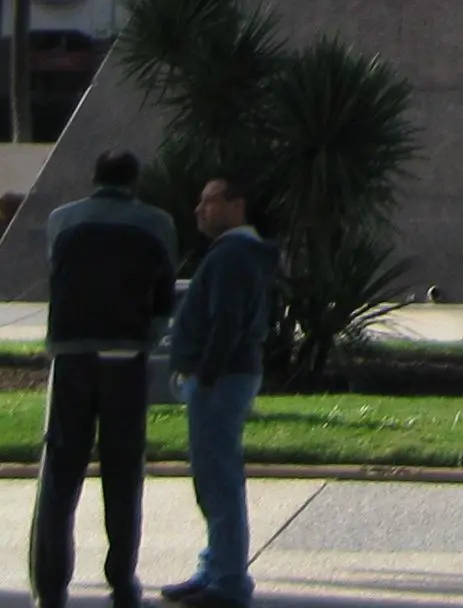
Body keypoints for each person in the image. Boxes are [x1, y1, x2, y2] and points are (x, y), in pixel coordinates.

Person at [30, 149, 177, 608]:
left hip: (72, 353)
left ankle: (52, 583)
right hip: (125, 355)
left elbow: (57, 275)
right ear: (135, 181)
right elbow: (164, 294)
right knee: (123, 469)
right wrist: (147, 338)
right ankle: (122, 578)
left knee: (61, 471)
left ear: (94, 178)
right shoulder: (157, 223)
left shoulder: (63, 220)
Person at [164, 175, 274, 608]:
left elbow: (226, 319)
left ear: (237, 204)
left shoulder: (232, 256)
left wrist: (205, 373)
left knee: (219, 480)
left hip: (221, 378)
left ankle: (227, 580)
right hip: (226, 376)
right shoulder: (240, 254)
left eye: (209, 201)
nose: (199, 210)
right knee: (212, 478)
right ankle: (213, 569)